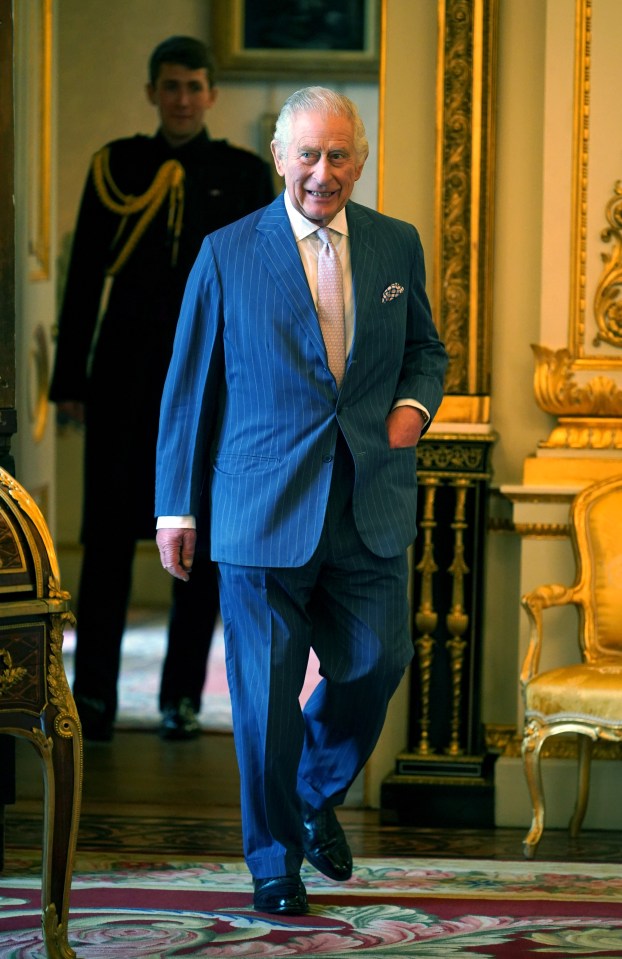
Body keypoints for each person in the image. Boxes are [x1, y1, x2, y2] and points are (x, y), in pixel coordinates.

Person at [155, 87, 447, 914]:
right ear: (280, 156)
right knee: (263, 698)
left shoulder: (396, 245)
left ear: (360, 157)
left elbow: (427, 349)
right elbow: (189, 388)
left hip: (369, 501)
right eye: (308, 155)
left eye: (339, 155)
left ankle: (313, 790)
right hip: (259, 507)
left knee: (379, 660)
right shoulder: (226, 252)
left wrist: (411, 408)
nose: (323, 172)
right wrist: (174, 505)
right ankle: (273, 860)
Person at [49, 36, 275, 743]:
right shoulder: (116, 166)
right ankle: (94, 698)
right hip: (122, 374)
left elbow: (261, 282)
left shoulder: (241, 175)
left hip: (212, 376)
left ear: (212, 94)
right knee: (108, 539)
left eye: (193, 86)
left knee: (199, 542)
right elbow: (85, 272)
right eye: (170, 86)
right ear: (152, 92)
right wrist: (70, 378)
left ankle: (180, 697)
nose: (181, 98)